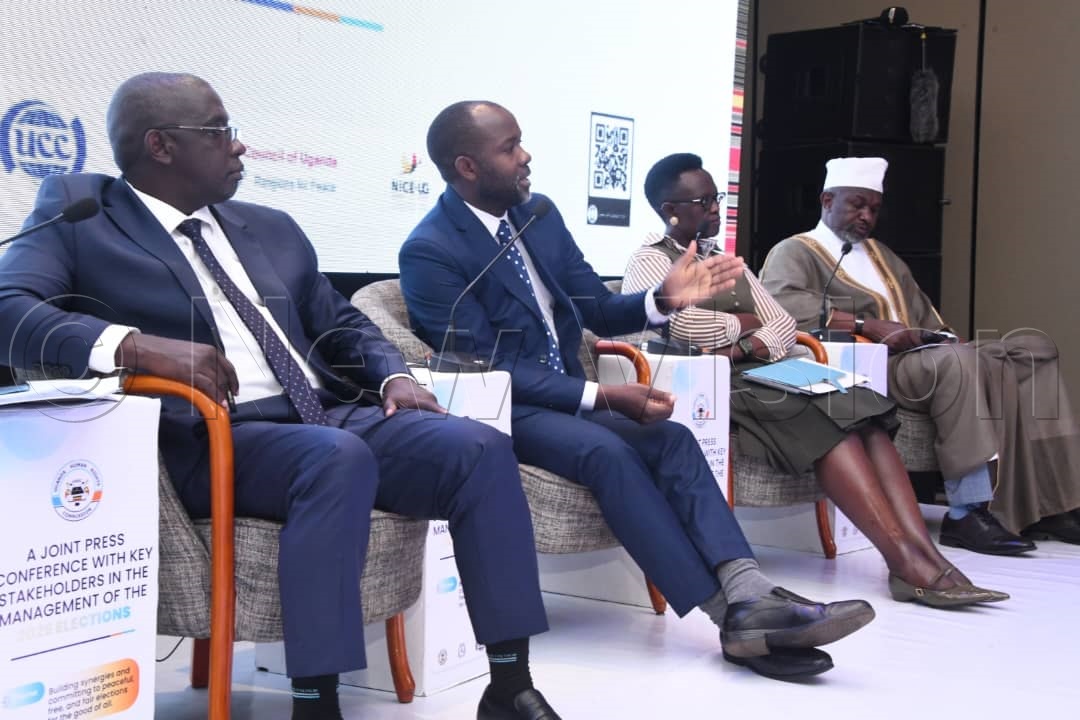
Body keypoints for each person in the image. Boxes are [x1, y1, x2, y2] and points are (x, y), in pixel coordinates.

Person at [0, 73, 553, 720]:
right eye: (220, 131)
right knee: (334, 458)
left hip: (326, 415)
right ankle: (315, 703)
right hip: (207, 434)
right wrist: (136, 346)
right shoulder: (81, 215)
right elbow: (9, 308)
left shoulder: (271, 226)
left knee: (478, 447)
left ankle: (509, 685)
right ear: (161, 145)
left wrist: (393, 377)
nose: (239, 147)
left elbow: (340, 322)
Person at [399, 100, 877, 688]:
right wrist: (601, 397)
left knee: (672, 439)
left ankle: (749, 591)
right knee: (609, 453)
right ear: (468, 167)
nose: (526, 157)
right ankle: (733, 619)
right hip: (501, 410)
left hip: (566, 396)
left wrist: (661, 302)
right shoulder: (430, 251)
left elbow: (592, 304)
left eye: (521, 142)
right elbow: (487, 364)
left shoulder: (537, 215)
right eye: (510, 148)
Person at [622, 152, 1006, 609]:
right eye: (704, 201)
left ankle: (927, 554)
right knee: (825, 422)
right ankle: (905, 564)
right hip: (709, 379)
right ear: (671, 210)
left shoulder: (727, 262)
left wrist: (747, 340)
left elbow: (783, 324)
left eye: (717, 198)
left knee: (862, 407)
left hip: (758, 365)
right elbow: (684, 329)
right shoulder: (649, 261)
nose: (715, 208)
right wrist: (744, 325)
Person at [759, 156, 1080, 550]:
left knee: (1035, 350)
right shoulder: (796, 251)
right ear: (827, 200)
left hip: (925, 358)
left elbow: (927, 316)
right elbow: (779, 306)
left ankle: (1052, 505)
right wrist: (866, 326)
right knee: (957, 362)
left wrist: (942, 338)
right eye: (857, 204)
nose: (866, 216)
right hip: (874, 367)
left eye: (873, 208)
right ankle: (967, 512)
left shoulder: (885, 257)